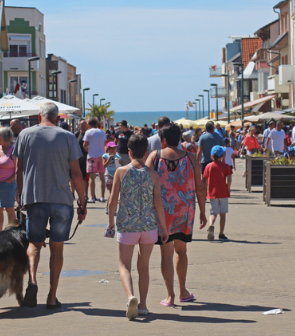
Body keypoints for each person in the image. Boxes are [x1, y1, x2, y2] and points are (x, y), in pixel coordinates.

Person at [15, 102, 87, 309]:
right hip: (61, 199)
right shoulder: (68, 137)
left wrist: (19, 196)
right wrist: (82, 203)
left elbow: (18, 169)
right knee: (57, 249)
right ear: (58, 118)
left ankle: (32, 280)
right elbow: (76, 173)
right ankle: (52, 296)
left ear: (39, 117)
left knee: (34, 244)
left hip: (34, 198)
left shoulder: (25, 134)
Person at [107, 134, 168, 320]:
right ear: (147, 152)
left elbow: (112, 201)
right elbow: (158, 204)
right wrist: (163, 229)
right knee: (144, 267)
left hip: (127, 226)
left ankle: (130, 296)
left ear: (129, 152)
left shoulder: (121, 172)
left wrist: (111, 223)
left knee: (124, 265)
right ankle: (142, 305)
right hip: (149, 227)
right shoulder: (153, 175)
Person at [145, 123, 206, 307]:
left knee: (166, 254)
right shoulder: (191, 158)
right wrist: (203, 211)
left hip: (162, 212)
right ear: (179, 139)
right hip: (184, 212)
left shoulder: (154, 157)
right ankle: (183, 291)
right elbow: (200, 187)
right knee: (181, 251)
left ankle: (170, 296)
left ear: (162, 140)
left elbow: (144, 181)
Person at [0, 127, 18, 233]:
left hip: (7, 185)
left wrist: (10, 180)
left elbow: (18, 169)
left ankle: (12, 233)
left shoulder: (13, 150)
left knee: (9, 209)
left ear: (5, 137)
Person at [204, 145, 232, 242]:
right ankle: (221, 233)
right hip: (223, 192)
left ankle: (211, 225)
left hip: (212, 192)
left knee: (213, 213)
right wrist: (228, 188)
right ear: (223, 155)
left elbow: (205, 180)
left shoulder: (208, 166)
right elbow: (229, 180)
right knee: (222, 214)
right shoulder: (226, 166)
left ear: (211, 155)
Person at [84, 117, 107, 202]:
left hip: (92, 156)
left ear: (89, 124)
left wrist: (87, 148)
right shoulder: (102, 132)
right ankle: (102, 196)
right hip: (102, 156)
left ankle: (92, 197)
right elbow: (104, 143)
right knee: (102, 177)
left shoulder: (88, 132)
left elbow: (85, 144)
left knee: (92, 177)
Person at [74, 119, 91, 203]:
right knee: (78, 178)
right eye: (82, 125)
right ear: (79, 126)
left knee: (85, 179)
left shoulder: (89, 134)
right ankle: (78, 194)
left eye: (85, 125)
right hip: (78, 159)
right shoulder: (76, 134)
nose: (83, 126)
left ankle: (86, 195)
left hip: (87, 159)